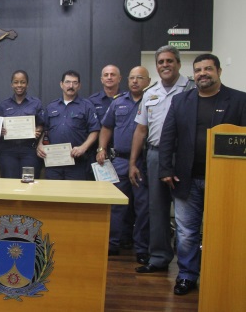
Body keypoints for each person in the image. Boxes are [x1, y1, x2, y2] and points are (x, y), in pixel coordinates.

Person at [159, 54, 246, 295]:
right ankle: (187, 276)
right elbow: (168, 137)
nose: (202, 73)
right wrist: (165, 169)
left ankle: (223, 273)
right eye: (198, 70)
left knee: (223, 229)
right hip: (186, 178)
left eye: (208, 69)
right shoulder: (180, 101)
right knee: (186, 232)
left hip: (226, 181)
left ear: (219, 71)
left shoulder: (239, 100)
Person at [130, 45, 194, 274]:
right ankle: (158, 257)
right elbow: (140, 131)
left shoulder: (192, 88)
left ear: (178, 63)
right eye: (161, 62)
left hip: (185, 155)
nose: (165, 65)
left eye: (169, 61)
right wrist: (133, 163)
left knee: (187, 210)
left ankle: (188, 265)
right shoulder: (150, 92)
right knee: (156, 208)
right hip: (155, 154)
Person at [97, 66, 151, 263]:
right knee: (117, 204)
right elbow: (106, 127)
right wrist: (101, 148)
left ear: (148, 80)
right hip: (119, 159)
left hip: (143, 161)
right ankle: (113, 243)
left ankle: (142, 248)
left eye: (140, 78)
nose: (135, 81)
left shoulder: (152, 101)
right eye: (132, 78)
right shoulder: (118, 102)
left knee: (143, 206)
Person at [37, 70, 100, 180]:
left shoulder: (87, 106)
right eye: (67, 82)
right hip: (53, 163)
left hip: (77, 163)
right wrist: (40, 144)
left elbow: (95, 130)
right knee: (53, 195)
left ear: (79, 86)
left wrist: (83, 148)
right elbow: (45, 130)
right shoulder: (51, 106)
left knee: (75, 195)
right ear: (61, 84)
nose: (71, 86)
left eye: (75, 83)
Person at [0, 70, 43, 179]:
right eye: (16, 82)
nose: (19, 85)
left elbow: (42, 124)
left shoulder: (36, 103)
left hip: (29, 150)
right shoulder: (4, 104)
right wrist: (1, 130)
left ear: (27, 84)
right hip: (8, 151)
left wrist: (38, 130)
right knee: (9, 183)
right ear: (12, 84)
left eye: (22, 82)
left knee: (29, 183)